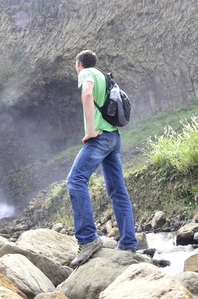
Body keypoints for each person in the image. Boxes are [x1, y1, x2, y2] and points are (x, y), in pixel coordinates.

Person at [67, 49, 137, 267]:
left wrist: (89, 131)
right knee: (118, 191)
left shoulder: (86, 74)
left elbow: (87, 95)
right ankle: (128, 242)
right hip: (114, 138)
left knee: (75, 181)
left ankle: (88, 239)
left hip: (99, 138)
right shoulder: (104, 77)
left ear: (79, 63)